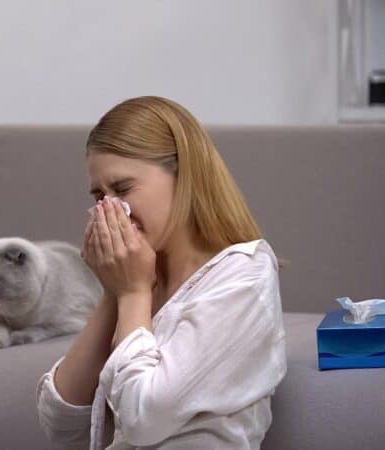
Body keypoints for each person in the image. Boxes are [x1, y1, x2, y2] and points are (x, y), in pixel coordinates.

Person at [35, 96, 286, 449]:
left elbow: (143, 418)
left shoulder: (243, 276)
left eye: (122, 189)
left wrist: (133, 294)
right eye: (98, 197)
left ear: (184, 177)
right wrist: (115, 292)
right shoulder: (140, 279)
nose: (111, 210)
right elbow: (61, 425)